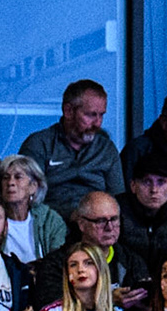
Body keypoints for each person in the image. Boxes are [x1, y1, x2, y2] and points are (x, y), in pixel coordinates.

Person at [17, 79, 121, 217]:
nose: (98, 123)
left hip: (97, 224)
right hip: (49, 225)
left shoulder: (106, 149)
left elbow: (119, 199)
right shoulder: (39, 145)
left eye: (101, 115)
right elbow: (26, 198)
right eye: (91, 115)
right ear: (68, 111)